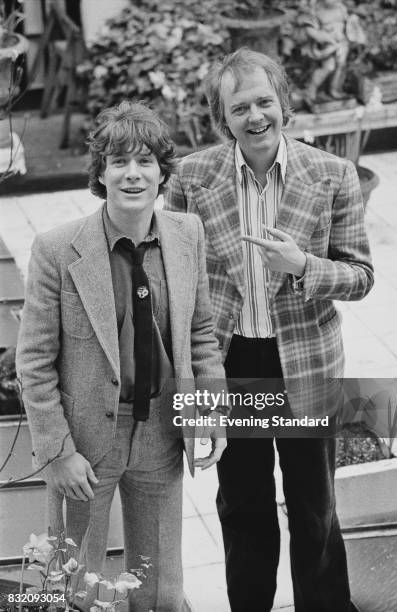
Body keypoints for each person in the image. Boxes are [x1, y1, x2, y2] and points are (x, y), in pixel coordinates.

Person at [165, 47, 374, 612]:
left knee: (314, 504)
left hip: (304, 362)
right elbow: (176, 283)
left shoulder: (333, 176)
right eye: (240, 108)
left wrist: (304, 267)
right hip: (228, 366)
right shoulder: (190, 177)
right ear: (221, 118)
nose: (255, 116)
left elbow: (361, 277)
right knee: (242, 502)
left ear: (285, 103)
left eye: (265, 102)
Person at [16, 100, 227, 611]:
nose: (133, 174)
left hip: (160, 433)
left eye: (145, 162)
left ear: (162, 173)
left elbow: (201, 332)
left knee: (159, 588)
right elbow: (35, 362)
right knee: (74, 585)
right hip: (84, 446)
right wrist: (57, 452)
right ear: (101, 174)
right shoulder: (57, 248)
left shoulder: (187, 235)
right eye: (118, 161)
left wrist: (213, 413)